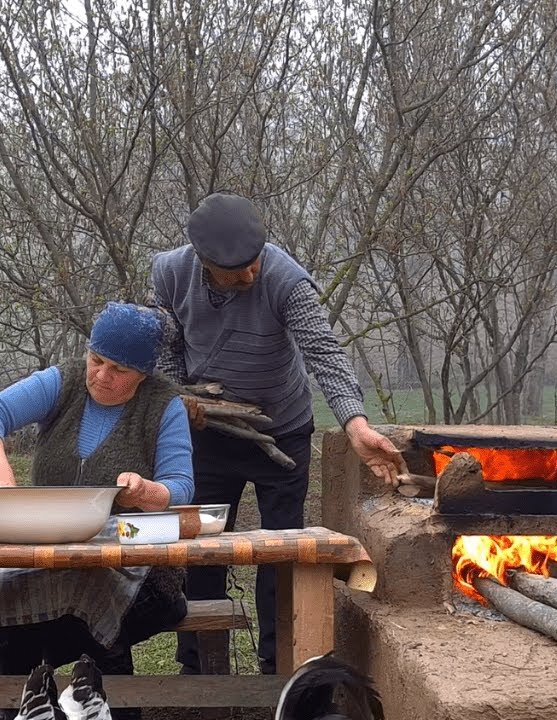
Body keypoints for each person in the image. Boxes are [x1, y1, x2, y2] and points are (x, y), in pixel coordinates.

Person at [151, 191, 404, 675]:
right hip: (208, 435)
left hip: (281, 431)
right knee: (201, 553)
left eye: (255, 262)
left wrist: (355, 423)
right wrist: (177, 397)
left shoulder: (286, 280)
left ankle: (280, 665)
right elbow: (166, 342)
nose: (251, 274)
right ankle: (203, 669)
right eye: (236, 269)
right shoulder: (168, 273)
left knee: (280, 551)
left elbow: (324, 355)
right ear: (203, 261)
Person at [0, 301, 195, 720]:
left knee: (99, 596)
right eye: (96, 360)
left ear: (143, 375)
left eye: (119, 370)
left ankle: (88, 703)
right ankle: (22, 698)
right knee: (6, 584)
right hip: (51, 553)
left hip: (138, 562)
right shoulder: (62, 383)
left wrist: (144, 492)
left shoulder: (164, 405)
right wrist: (3, 485)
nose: (102, 375)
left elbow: (181, 487)